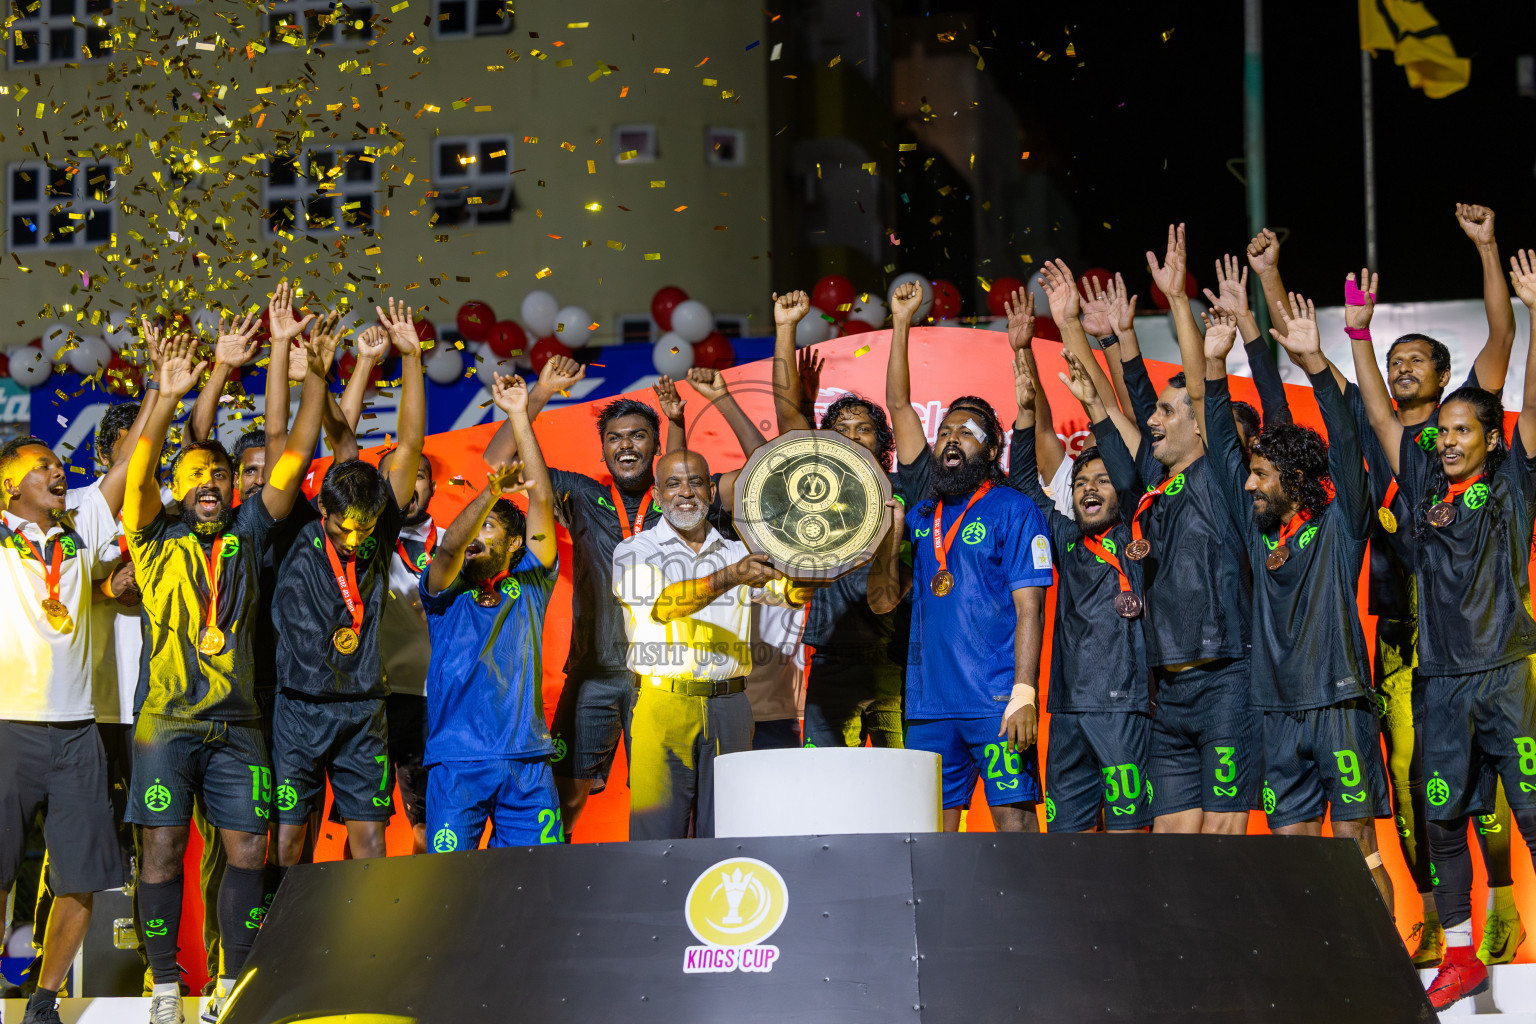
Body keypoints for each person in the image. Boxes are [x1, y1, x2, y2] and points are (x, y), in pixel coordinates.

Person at [1260, 214, 1523, 966]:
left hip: (1479, 630)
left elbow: (1503, 337)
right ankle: (1438, 919)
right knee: (1413, 785)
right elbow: (1311, 355)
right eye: (1394, 359)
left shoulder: (1462, 425)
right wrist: (1272, 274)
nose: (1402, 368)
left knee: (1488, 781)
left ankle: (1504, 905)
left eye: (1417, 360)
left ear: (1446, 378)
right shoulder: (1373, 422)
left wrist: (1487, 250)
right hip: (1402, 635)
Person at [123, 323, 329, 1024]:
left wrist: (315, 371)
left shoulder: (250, 529)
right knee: (163, 851)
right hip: (167, 722)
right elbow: (139, 473)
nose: (209, 481)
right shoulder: (152, 534)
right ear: (176, 490)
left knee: (249, 851)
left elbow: (295, 452)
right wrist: (165, 395)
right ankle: (164, 988)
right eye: (194, 475)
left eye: (218, 474)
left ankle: (231, 986)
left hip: (239, 725)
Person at [1350, 252, 1536, 1010]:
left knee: (1531, 814)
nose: (1450, 440)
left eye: (1464, 430)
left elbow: (1527, 395)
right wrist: (1357, 336)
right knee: (1442, 818)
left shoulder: (1514, 482)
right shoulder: (1424, 481)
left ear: (1491, 438)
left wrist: (1534, 314)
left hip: (1507, 673)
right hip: (1439, 684)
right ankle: (1462, 957)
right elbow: (1378, 415)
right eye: (1445, 432)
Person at [1203, 297, 1393, 907]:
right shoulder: (1258, 530)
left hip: (1338, 703)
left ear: (1294, 479)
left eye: (1262, 474)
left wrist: (1315, 366)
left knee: (1357, 849)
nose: (1250, 483)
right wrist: (1214, 367)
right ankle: (1315, 962)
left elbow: (1347, 445)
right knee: (1295, 859)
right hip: (1275, 711)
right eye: (1252, 473)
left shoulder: (1341, 524)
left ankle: (1382, 967)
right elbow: (1222, 453)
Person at [482, 355, 695, 837]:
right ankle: (552, 880)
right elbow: (498, 464)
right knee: (562, 800)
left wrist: (678, 422)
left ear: (656, 446)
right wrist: (536, 395)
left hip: (661, 675)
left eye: (638, 436)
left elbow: (683, 471)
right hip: (592, 672)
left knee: (664, 802)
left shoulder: (677, 500)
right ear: (603, 450)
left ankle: (663, 878)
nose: (626, 445)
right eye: (615, 438)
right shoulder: (580, 494)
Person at [0, 373, 148, 1023]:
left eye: (59, 463)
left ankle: (44, 998)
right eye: (41, 466)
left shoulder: (79, 526)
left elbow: (128, 464)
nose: (57, 471)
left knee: (82, 875)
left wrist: (163, 391)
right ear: (9, 487)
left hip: (78, 731)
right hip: (7, 726)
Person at [886, 280, 1054, 832]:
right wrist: (902, 323)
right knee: (931, 838)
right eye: (946, 431)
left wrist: (1024, 693)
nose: (953, 438)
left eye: (969, 431)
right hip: (929, 709)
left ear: (991, 448)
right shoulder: (920, 512)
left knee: (1015, 827)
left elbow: (1031, 609)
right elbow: (898, 405)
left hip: (997, 703)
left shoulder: (1013, 509)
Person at [269, 299, 425, 869]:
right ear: (322, 510)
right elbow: (289, 437)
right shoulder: (292, 525)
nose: (356, 539)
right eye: (343, 529)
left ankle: (363, 927)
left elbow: (409, 446)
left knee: (371, 843)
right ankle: (282, 926)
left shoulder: (377, 529)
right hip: (299, 708)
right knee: (287, 843)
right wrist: (307, 367)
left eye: (365, 528)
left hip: (363, 710)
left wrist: (411, 359)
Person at [1121, 224, 1259, 835]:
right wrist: (1100, 335)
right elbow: (1121, 406)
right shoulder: (1158, 484)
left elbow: (1202, 393)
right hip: (1168, 691)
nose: (1154, 419)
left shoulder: (1224, 479)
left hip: (1226, 681)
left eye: (1167, 410)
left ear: (1202, 427)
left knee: (1222, 852)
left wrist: (1178, 299)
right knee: (1175, 856)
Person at [613, 449, 814, 840]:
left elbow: (791, 593)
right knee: (656, 838)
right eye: (673, 483)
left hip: (731, 706)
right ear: (656, 495)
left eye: (695, 482)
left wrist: (816, 561)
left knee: (727, 834)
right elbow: (663, 606)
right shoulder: (635, 550)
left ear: (710, 490)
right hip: (662, 704)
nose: (685, 492)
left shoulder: (738, 550)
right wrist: (731, 576)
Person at [420, 373, 561, 852]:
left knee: (537, 881)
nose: (476, 535)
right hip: (456, 764)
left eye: (490, 526)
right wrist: (488, 495)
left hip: (527, 762)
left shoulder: (532, 582)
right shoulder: (445, 588)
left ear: (516, 543)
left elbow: (541, 497)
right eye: (474, 526)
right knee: (448, 886)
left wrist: (520, 414)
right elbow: (448, 548)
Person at [1012, 350, 1151, 834]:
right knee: (1065, 842)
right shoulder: (1065, 538)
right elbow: (1026, 486)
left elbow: (1133, 475)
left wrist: (1095, 407)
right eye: (1081, 483)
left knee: (1129, 838)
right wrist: (1025, 415)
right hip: (1067, 710)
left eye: (1103, 481)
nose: (1089, 489)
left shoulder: (1140, 532)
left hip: (1125, 707)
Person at [768, 290, 907, 749]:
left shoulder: (902, 491)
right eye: (840, 429)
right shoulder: (815, 485)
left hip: (894, 664)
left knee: (901, 785)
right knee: (825, 783)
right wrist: (785, 327)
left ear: (882, 443)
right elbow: (788, 413)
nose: (851, 436)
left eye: (863, 429)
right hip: (830, 661)